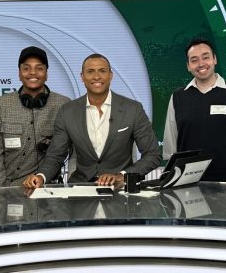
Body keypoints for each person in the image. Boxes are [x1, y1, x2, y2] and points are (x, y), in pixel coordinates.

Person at [23, 54, 161, 188]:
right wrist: (41, 176)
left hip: (120, 191)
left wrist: (122, 176)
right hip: (81, 189)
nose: (96, 76)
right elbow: (55, 155)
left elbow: (152, 154)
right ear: (82, 77)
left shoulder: (133, 109)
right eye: (90, 71)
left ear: (111, 75)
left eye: (102, 71)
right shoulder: (67, 111)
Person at [163, 37, 226, 183]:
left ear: (215, 59)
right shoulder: (178, 97)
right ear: (188, 66)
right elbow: (170, 150)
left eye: (206, 57)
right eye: (194, 60)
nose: (201, 64)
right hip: (188, 188)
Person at [0, 46, 69, 187]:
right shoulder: (2, 104)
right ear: (19, 74)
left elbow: (72, 152)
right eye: (26, 68)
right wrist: (1, 190)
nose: (32, 73)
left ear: (46, 74)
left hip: (49, 189)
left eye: (39, 68)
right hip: (9, 188)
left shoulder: (64, 105)